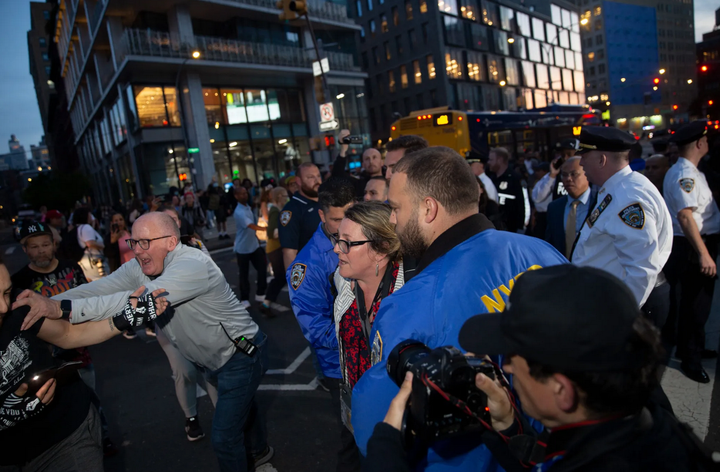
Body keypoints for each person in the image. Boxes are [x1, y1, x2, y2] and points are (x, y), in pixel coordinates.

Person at [365, 265, 706, 472]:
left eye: (516, 357)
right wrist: (509, 428)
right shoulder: (654, 424)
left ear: (562, 391)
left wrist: (386, 450)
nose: (507, 365)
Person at [351, 146, 567, 469]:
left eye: (395, 208)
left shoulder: (410, 303)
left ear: (428, 209)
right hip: (561, 449)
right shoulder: (542, 250)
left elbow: (378, 424)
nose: (392, 219)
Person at [17, 212, 273, 472]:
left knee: (225, 437)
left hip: (240, 355)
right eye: (134, 242)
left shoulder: (192, 265)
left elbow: (129, 302)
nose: (137, 251)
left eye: (145, 242)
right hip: (212, 359)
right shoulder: (141, 265)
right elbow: (101, 288)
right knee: (243, 410)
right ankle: (260, 451)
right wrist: (50, 302)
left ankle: (257, 455)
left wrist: (59, 309)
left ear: (171, 242)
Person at [2, 251, 167, 471]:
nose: (3, 306)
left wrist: (125, 318)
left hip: (66, 435)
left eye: (5, 292)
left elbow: (69, 334)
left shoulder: (16, 304)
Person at [10, 221, 120, 456]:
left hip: (79, 349)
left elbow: (87, 303)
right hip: (46, 358)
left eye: (46, 244)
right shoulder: (19, 282)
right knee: (55, 404)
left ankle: (103, 437)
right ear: (25, 250)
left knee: (91, 395)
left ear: (54, 244)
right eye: (35, 246)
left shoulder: (72, 268)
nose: (41, 250)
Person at [287, 177, 356, 468]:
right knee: (353, 440)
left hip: (373, 357)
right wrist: (358, 336)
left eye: (349, 216)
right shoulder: (308, 265)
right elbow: (314, 327)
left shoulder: (364, 233)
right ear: (321, 215)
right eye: (336, 220)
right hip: (339, 367)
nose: (344, 227)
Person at [332, 201, 405, 472]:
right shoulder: (342, 280)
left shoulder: (409, 292)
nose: (336, 249)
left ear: (380, 249)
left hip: (397, 416)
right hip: (358, 405)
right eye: (337, 239)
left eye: (347, 243)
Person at [572, 127, 672, 318]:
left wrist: (623, 317)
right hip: (613, 298)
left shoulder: (627, 196)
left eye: (585, 156)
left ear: (602, 160)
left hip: (629, 305)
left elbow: (642, 269)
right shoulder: (618, 188)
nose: (581, 162)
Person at [662, 121, 720, 383]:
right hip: (691, 245)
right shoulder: (684, 175)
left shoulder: (690, 171)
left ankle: (692, 347)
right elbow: (686, 217)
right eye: (706, 139)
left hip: (692, 243)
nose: (708, 143)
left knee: (694, 303)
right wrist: (704, 253)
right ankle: (691, 360)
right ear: (699, 144)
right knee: (695, 305)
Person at [545, 158, 594, 258]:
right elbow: (550, 244)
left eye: (574, 174)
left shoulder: (600, 202)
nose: (568, 179)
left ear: (587, 174)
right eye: (564, 175)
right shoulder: (555, 207)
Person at [279, 162, 323, 269]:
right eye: (310, 177)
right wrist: (295, 284)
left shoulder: (326, 201)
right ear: (298, 181)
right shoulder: (291, 210)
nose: (317, 181)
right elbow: (289, 252)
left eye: (318, 176)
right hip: (312, 275)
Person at [233, 185, 268, 309]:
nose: (245, 195)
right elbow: (251, 226)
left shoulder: (248, 207)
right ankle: (244, 298)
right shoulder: (238, 211)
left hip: (254, 245)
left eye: (245, 193)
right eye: (241, 194)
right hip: (242, 248)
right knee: (244, 274)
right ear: (236, 196)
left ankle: (260, 294)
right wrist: (265, 228)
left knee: (262, 269)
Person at [260, 187, 290, 317]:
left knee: (282, 276)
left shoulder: (278, 210)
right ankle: (266, 303)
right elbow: (271, 232)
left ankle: (266, 303)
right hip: (274, 249)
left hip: (276, 248)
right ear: (278, 197)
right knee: (281, 277)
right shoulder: (274, 211)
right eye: (284, 195)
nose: (286, 198)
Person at [332, 129, 384, 197]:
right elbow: (337, 175)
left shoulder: (391, 180)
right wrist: (343, 149)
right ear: (363, 165)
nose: (371, 161)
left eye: (374, 157)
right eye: (367, 159)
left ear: (382, 162)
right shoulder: (358, 184)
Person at [487, 147, 527, 233]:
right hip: (496, 228)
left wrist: (522, 227)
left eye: (491, 160)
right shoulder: (491, 179)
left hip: (513, 229)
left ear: (500, 160)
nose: (488, 163)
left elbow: (525, 203)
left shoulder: (516, 179)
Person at [73, 207, 108, 281]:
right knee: (100, 281)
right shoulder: (86, 227)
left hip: (87, 260)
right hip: (94, 260)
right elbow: (90, 243)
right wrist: (103, 246)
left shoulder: (79, 228)